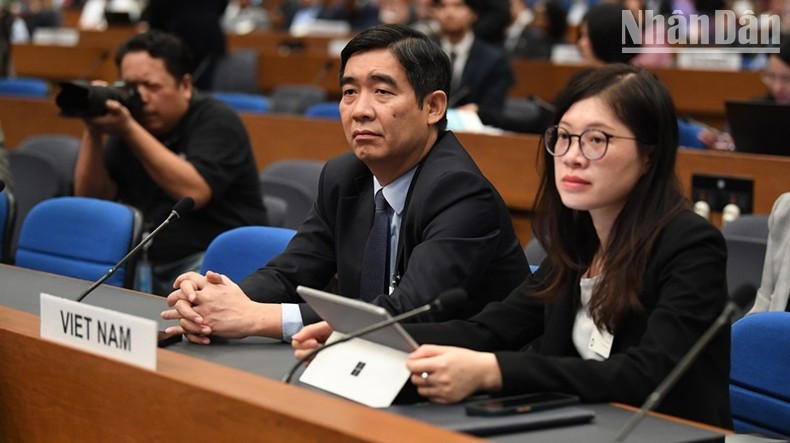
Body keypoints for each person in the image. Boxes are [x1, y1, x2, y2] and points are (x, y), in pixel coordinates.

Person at [294, 64, 732, 428]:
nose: (573, 155)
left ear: (650, 156)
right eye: (563, 136)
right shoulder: (575, 246)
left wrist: (493, 371)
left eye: (597, 140)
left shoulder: (689, 245)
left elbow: (648, 374)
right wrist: (360, 338)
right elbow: (489, 329)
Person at [161, 24, 530, 345]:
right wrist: (221, 299)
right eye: (349, 92)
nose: (360, 110)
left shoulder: (460, 192)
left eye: (382, 92)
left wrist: (258, 318)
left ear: (433, 107)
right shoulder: (344, 176)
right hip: (367, 364)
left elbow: (407, 314)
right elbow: (290, 272)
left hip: (468, 384)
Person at [74, 30, 268, 296]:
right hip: (145, 259)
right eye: (131, 87)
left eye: (152, 87)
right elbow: (92, 197)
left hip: (211, 266)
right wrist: (93, 131)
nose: (141, 98)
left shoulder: (217, 121)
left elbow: (195, 192)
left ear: (185, 86)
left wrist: (129, 129)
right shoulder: (132, 121)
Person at [432, 0, 514, 111]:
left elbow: (494, 108)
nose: (449, 12)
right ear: (434, 12)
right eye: (442, 6)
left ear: (474, 13)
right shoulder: (422, 54)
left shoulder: (493, 59)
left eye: (459, 6)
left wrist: (478, 110)